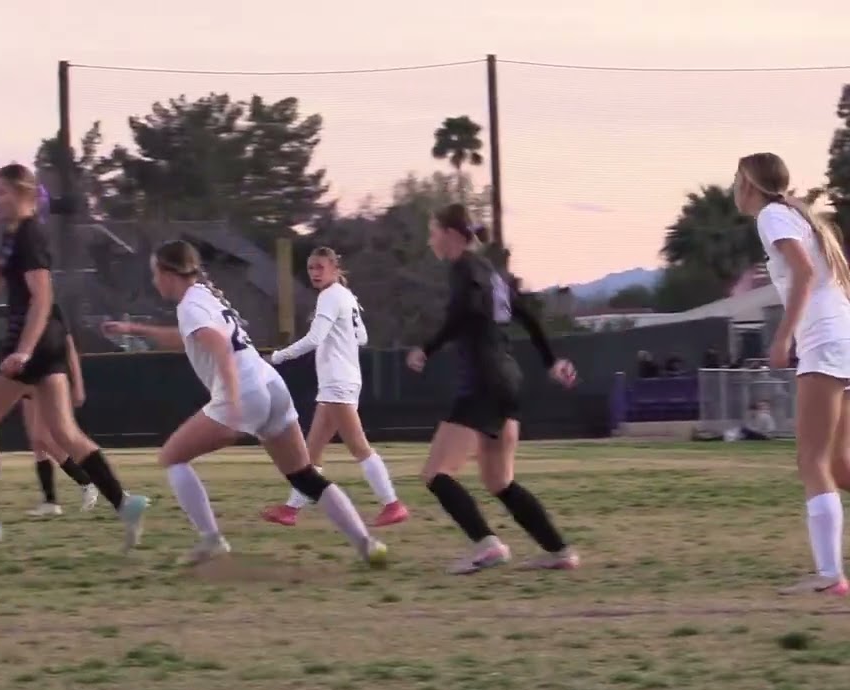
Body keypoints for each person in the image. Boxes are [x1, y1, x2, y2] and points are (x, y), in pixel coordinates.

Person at [102, 240, 388, 567]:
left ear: (169, 274)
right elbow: (189, 337)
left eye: (156, 274)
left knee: (171, 457)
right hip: (272, 385)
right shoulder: (203, 296)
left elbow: (220, 346)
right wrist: (133, 329)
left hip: (247, 392)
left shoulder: (191, 306)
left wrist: (234, 400)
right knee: (305, 476)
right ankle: (367, 544)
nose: (154, 281)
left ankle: (211, 540)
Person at [0, 163, 148, 549]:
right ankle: (125, 502)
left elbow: (43, 297)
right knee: (64, 434)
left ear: (23, 196)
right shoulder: (13, 236)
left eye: (1, 192)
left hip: (32, 341)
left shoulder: (29, 236)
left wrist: (23, 349)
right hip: (46, 343)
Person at [406, 204, 579, 575]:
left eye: (433, 231)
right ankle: (558, 550)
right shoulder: (492, 273)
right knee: (499, 480)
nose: (431, 239)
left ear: (451, 235)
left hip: (483, 380)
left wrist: (427, 348)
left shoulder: (464, 269)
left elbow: (465, 312)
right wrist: (552, 361)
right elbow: (528, 316)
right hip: (508, 380)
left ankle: (487, 545)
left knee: (436, 473)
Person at [734, 151, 850, 596]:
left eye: (736, 179)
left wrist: (783, 337)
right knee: (839, 466)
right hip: (842, 337)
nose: (733, 189)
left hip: (824, 342)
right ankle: (830, 572)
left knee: (812, 461)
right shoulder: (797, 216)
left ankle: (829, 575)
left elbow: (802, 272)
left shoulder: (772, 216)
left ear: (749, 183)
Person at [261, 246, 408, 527]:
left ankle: (393, 503)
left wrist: (277, 357)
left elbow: (314, 339)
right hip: (341, 380)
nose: (315, 273)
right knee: (310, 452)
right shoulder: (345, 296)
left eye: (320, 267)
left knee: (358, 446)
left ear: (334, 268)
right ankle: (291, 509)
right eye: (311, 268)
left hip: (338, 381)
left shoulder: (330, 296)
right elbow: (362, 336)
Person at [22, 317, 100, 516]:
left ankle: (88, 482)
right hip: (27, 377)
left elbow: (69, 347)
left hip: (47, 375)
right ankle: (50, 501)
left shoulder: (48, 308)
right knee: (37, 441)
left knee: (48, 436)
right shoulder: (20, 310)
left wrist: (78, 384)